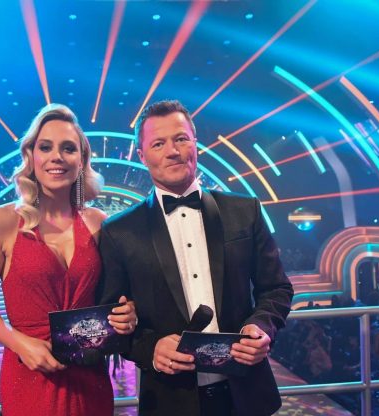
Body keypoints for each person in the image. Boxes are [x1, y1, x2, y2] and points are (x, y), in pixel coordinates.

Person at [97, 100, 294, 416]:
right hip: (170, 400)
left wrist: (261, 326)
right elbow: (113, 321)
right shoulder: (118, 231)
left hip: (246, 395)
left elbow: (277, 289)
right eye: (158, 144)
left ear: (195, 143)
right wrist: (150, 349)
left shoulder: (245, 211)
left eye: (181, 139)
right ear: (142, 156)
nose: (172, 151)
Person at [0, 103, 137, 416]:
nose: (57, 156)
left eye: (68, 148)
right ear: (31, 156)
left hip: (90, 377)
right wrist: (19, 343)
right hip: (30, 371)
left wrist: (126, 314)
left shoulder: (99, 223)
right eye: (45, 147)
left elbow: (115, 297)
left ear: (82, 160)